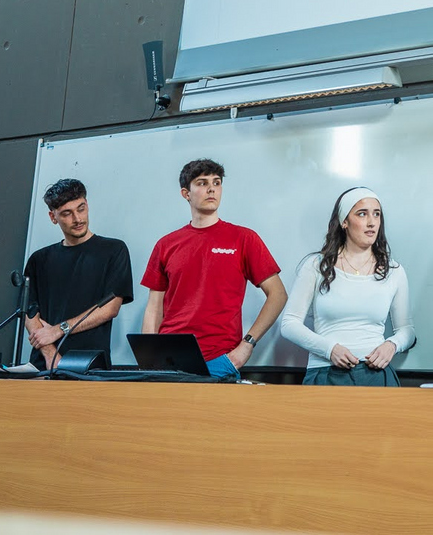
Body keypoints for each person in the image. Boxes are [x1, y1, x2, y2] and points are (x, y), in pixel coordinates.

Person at [141, 158, 288, 379]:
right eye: (201, 183)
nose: (211, 188)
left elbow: (278, 294)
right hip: (169, 359)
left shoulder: (243, 238)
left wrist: (246, 346)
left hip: (220, 359)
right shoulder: (166, 244)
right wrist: (149, 360)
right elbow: (154, 306)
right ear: (186, 193)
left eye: (217, 182)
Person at [279, 187, 416, 386]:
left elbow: (407, 330)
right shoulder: (317, 265)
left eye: (376, 214)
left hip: (376, 375)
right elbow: (289, 324)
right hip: (325, 373)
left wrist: (391, 345)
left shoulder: (393, 270)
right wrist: (329, 349)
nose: (371, 222)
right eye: (362, 214)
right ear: (344, 221)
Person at [22, 178, 134, 370]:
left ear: (87, 205)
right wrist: (50, 355)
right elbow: (29, 314)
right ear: (53, 217)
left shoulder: (114, 250)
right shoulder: (39, 260)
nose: (78, 219)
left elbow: (110, 308)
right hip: (45, 365)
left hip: (91, 365)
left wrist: (59, 330)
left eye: (81, 209)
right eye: (67, 213)